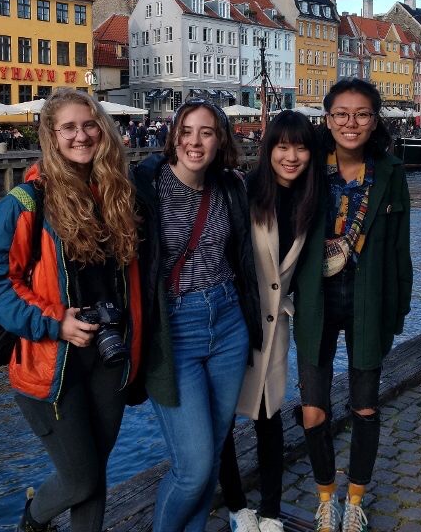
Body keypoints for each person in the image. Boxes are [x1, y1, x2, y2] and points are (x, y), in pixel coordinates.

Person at [0, 89, 143, 532]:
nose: (82, 135)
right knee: (81, 477)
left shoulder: (116, 192)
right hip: (49, 363)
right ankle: (33, 519)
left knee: (95, 474)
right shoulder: (26, 202)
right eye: (69, 127)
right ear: (51, 134)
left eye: (90, 125)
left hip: (107, 356)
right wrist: (56, 322)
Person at [131, 98, 263, 532]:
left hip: (227, 323)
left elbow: (242, 253)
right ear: (173, 136)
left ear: (219, 139)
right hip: (175, 332)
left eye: (206, 132)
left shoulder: (229, 187)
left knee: (213, 453)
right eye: (186, 131)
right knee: (193, 467)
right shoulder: (144, 187)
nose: (195, 141)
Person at [293, 78, 413, 532]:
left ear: (374, 120)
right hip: (316, 303)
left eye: (362, 114)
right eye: (341, 114)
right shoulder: (305, 170)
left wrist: (398, 309)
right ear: (327, 120)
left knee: (364, 406)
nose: (351, 123)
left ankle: (355, 500)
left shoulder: (390, 173)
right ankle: (326, 498)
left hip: (368, 300)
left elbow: (401, 249)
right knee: (313, 408)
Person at [218, 111, 322, 532]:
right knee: (223, 417)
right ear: (269, 149)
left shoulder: (313, 200)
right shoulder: (245, 192)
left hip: (276, 324)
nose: (291, 155)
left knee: (269, 418)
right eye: (283, 146)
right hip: (234, 320)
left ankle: (272, 511)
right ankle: (237, 506)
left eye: (300, 146)